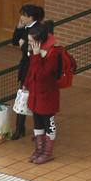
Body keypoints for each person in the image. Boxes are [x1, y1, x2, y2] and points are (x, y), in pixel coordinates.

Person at [23, 22, 65, 165]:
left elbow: (42, 75)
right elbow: (31, 72)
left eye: (31, 41)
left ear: (39, 42)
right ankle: (39, 150)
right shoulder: (35, 53)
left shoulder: (52, 55)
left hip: (47, 96)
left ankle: (47, 153)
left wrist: (35, 56)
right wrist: (25, 85)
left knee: (49, 124)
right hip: (35, 94)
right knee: (37, 123)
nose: (29, 43)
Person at [10, 3, 44, 140]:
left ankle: (40, 130)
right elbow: (14, 41)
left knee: (36, 100)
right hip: (26, 68)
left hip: (35, 68)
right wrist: (18, 29)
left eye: (24, 15)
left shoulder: (39, 30)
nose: (21, 17)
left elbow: (30, 49)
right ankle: (19, 127)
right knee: (22, 97)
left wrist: (23, 45)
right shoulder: (25, 28)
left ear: (31, 17)